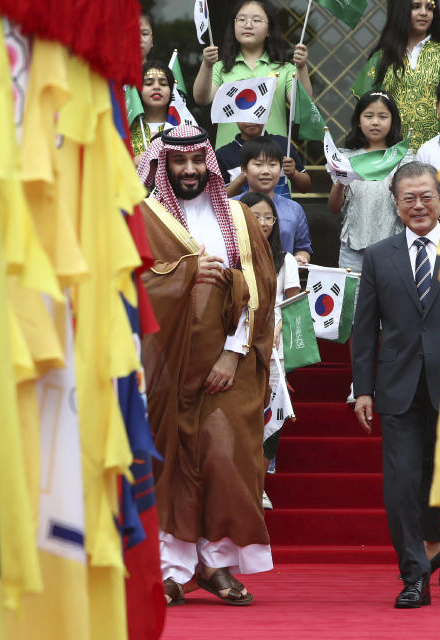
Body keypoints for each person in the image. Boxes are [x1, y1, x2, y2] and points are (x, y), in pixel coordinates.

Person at [137, 125, 277, 606]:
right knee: (171, 465)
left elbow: (260, 291)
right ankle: (171, 569)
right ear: (163, 165)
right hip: (165, 364)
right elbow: (130, 287)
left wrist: (231, 353)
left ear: (210, 166)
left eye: (199, 161)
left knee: (224, 459)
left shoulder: (237, 216)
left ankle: (217, 563)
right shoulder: (143, 218)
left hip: (228, 363)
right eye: (179, 162)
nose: (191, 170)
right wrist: (186, 273)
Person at [351, 162, 440, 608]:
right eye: (408, 198)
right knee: (402, 485)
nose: (418, 206)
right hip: (397, 389)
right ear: (395, 203)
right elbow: (364, 327)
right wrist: (363, 389)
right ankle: (414, 575)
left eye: (426, 196)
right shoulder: (379, 255)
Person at [239, 191, 301, 511]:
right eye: (255, 215)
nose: (262, 223)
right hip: (238, 342)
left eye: (268, 218)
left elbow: (294, 304)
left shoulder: (285, 259)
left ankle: (259, 485)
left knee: (270, 414)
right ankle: (240, 482)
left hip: (274, 346)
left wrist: (281, 328)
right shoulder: (234, 255)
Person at [193, 0, 313, 149]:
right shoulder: (220, 68)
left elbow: (302, 107)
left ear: (269, 30)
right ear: (234, 26)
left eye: (256, 20)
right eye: (241, 19)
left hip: (271, 159)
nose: (248, 25)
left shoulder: (285, 69)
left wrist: (301, 68)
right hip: (228, 159)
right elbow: (201, 99)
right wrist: (207, 64)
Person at [351, 0, 440, 151]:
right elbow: (367, 106)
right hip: (392, 156)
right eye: (416, 6)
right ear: (402, 10)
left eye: (429, 8)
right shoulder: (383, 57)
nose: (424, 13)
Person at [328, 90, 414, 272]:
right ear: (359, 121)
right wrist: (340, 183)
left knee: (390, 299)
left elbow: (412, 207)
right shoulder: (345, 158)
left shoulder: (402, 158)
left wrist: (397, 191)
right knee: (354, 300)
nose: (375, 122)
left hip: (394, 247)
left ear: (393, 121)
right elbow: (334, 208)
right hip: (353, 249)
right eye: (368, 116)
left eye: (383, 116)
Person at [237, 136, 312, 265]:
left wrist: (300, 259)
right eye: (258, 164)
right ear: (244, 169)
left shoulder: (294, 209)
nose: (266, 171)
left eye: (272, 165)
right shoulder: (230, 206)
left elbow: (303, 248)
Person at [217, 122, 312, 198]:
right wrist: (242, 177)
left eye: (256, 113)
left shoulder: (284, 145)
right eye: (245, 115)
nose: (251, 120)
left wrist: (294, 173)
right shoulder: (223, 154)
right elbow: (221, 200)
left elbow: (305, 188)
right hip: (242, 218)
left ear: (267, 113)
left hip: (282, 216)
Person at [130, 60, 174, 161]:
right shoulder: (126, 127)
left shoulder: (182, 126)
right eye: (149, 83)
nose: (156, 87)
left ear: (171, 91)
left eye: (163, 84)